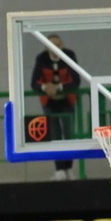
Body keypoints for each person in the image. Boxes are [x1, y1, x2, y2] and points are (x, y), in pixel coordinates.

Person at [31, 34, 81, 179]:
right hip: (49, 102)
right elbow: (34, 83)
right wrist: (46, 88)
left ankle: (69, 168)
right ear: (46, 47)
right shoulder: (41, 59)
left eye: (58, 46)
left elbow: (76, 80)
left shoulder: (69, 55)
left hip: (67, 101)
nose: (55, 49)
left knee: (68, 134)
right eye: (51, 46)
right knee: (55, 135)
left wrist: (58, 88)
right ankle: (59, 169)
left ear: (62, 46)